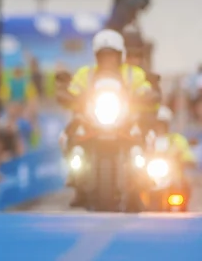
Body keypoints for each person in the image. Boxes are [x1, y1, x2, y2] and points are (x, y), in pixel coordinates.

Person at [57, 29, 157, 206]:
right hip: (92, 121)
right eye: (103, 56)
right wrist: (69, 96)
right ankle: (76, 178)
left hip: (125, 121)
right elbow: (73, 90)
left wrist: (147, 95)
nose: (108, 60)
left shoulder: (132, 73)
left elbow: (145, 89)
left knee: (148, 137)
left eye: (112, 55)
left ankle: (142, 178)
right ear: (96, 56)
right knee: (67, 136)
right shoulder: (85, 74)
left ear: (120, 56)